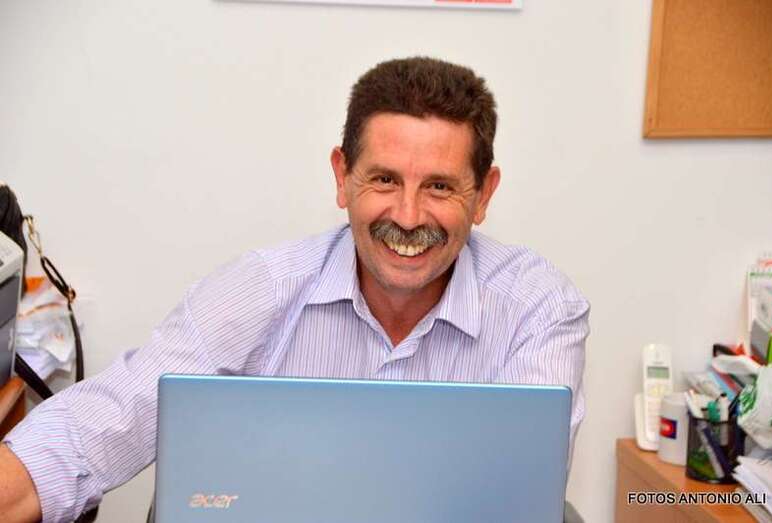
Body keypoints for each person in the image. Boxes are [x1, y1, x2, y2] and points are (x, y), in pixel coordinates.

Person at [0, 56, 589, 523]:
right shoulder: (259, 288)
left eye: (439, 186)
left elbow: (516, 496)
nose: (408, 217)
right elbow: (104, 420)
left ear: (483, 195)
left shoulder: (538, 308)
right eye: (384, 179)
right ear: (342, 176)